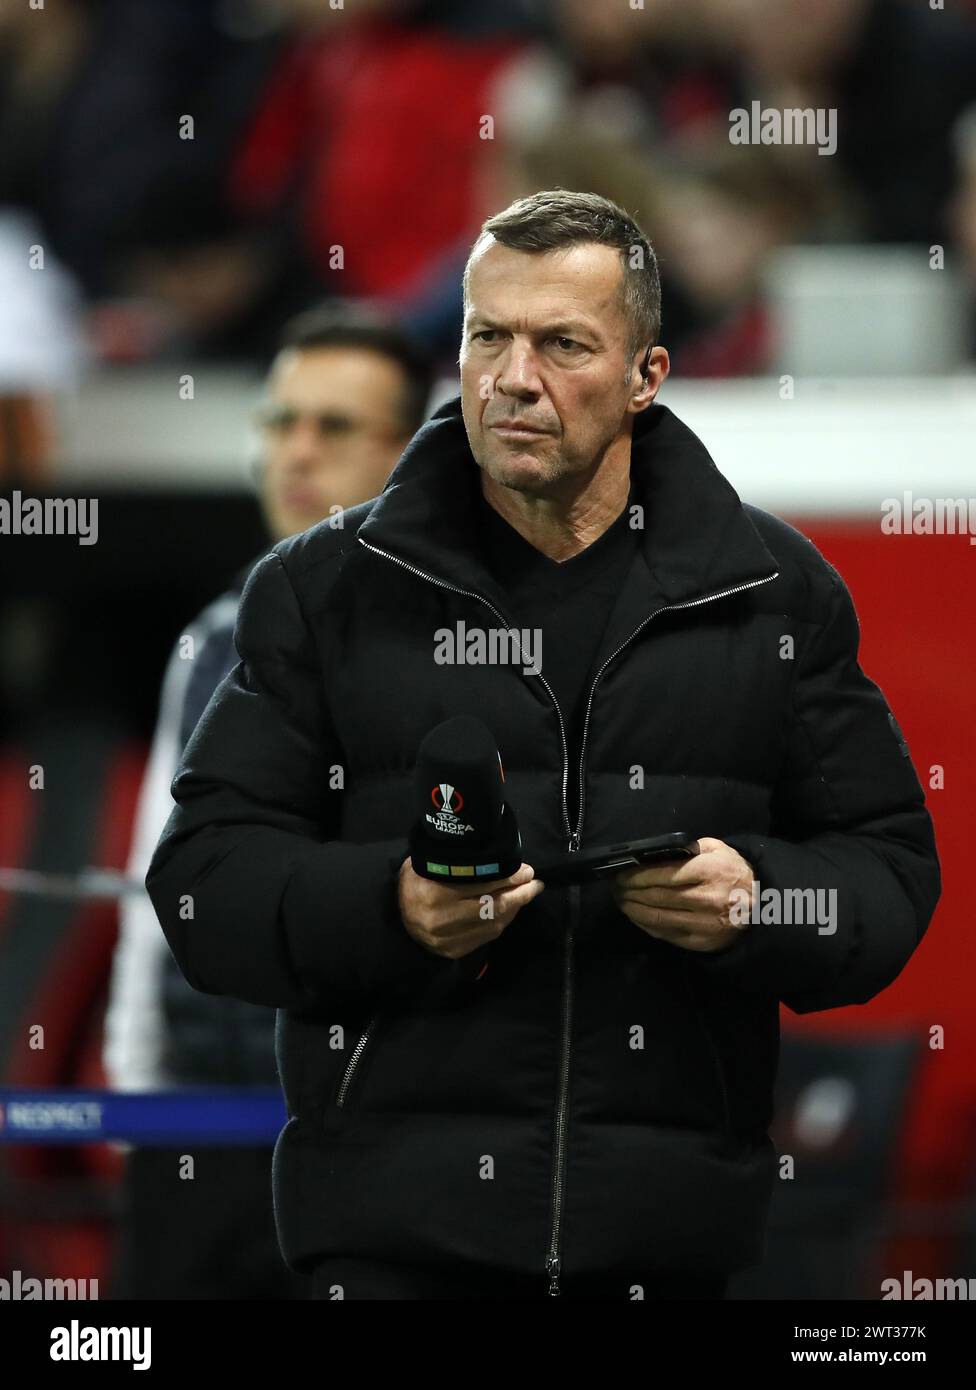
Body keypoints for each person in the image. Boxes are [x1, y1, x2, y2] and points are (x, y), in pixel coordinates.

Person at [146, 190, 941, 1301]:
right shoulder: (323, 592)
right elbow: (201, 885)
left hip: (666, 1250)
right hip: (389, 1248)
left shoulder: (773, 593)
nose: (512, 378)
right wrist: (393, 909)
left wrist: (757, 902)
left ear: (645, 376)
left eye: (562, 344)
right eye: (486, 337)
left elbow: (891, 872)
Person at [104, 302, 434, 1298]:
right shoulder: (212, 640)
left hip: (384, 1142)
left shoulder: (473, 648)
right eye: (278, 422)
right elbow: (148, 894)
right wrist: (136, 1098)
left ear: (410, 452)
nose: (295, 452)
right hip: (200, 1133)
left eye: (333, 428)